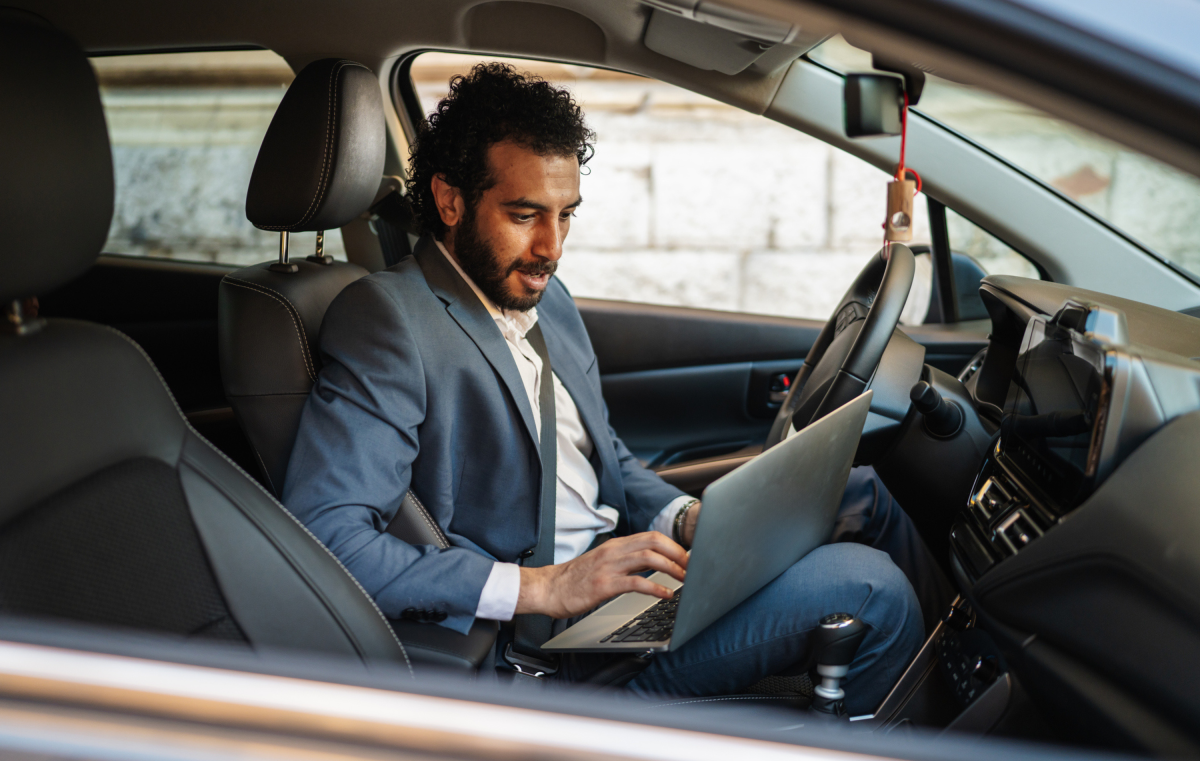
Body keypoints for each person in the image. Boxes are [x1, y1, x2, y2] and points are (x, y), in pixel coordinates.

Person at [283, 63, 937, 712]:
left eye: (566, 214)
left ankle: (957, 663)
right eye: (524, 215)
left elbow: (604, 457)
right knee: (870, 588)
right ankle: (924, 751)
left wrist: (682, 518)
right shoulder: (390, 318)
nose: (551, 247)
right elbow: (327, 538)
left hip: (620, 581)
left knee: (867, 492)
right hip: (555, 648)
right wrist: (542, 587)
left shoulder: (550, 298)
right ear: (451, 200)